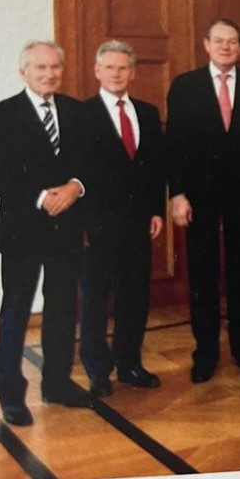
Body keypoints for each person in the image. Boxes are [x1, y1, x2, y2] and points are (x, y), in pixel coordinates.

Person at [0, 40, 90, 427]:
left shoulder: (77, 112)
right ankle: (10, 394)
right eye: (40, 68)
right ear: (23, 71)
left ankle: (57, 383)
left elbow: (91, 164)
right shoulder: (2, 113)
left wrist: (76, 187)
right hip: (23, 229)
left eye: (55, 68)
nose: (49, 74)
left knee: (62, 307)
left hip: (66, 226)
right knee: (16, 309)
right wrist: (41, 195)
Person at [164, 18, 240, 383]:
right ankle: (204, 353)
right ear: (206, 45)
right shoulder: (185, 87)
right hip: (198, 197)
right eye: (219, 41)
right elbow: (173, 146)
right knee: (203, 276)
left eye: (232, 41)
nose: (226, 47)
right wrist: (177, 194)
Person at [80, 40, 166, 397]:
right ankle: (98, 370)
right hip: (97, 226)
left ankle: (130, 363)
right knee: (97, 299)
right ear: (97, 71)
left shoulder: (146, 112)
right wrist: (81, 224)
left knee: (135, 296)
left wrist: (156, 210)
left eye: (123, 68)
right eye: (109, 67)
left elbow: (155, 167)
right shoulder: (81, 115)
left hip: (137, 223)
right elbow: (76, 172)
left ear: (133, 73)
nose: (117, 74)